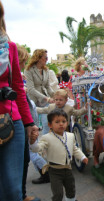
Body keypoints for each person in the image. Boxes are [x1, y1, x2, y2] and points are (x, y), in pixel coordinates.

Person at [0, 2, 39, 200]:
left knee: (12, 190)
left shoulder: (10, 48)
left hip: (10, 122)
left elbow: (18, 89)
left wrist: (30, 123)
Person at [30, 109, 88, 201]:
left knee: (71, 188)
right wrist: (33, 143)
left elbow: (74, 149)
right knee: (58, 193)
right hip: (54, 170)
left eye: (63, 121)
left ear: (67, 122)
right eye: (57, 122)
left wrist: (82, 157)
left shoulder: (70, 135)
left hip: (68, 168)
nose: (61, 124)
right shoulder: (47, 138)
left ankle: (71, 199)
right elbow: (38, 148)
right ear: (50, 125)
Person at [17, 44, 43, 201]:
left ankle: (21, 193)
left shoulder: (20, 76)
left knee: (25, 158)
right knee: (23, 158)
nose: (23, 65)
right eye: (22, 61)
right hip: (20, 121)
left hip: (27, 119)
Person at [25, 49, 55, 135]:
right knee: (35, 125)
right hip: (33, 100)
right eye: (45, 57)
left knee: (46, 124)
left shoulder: (46, 70)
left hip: (45, 101)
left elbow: (47, 86)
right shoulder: (29, 70)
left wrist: (55, 95)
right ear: (38, 58)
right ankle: (33, 145)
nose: (47, 59)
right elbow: (30, 89)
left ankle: (44, 145)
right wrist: (47, 98)